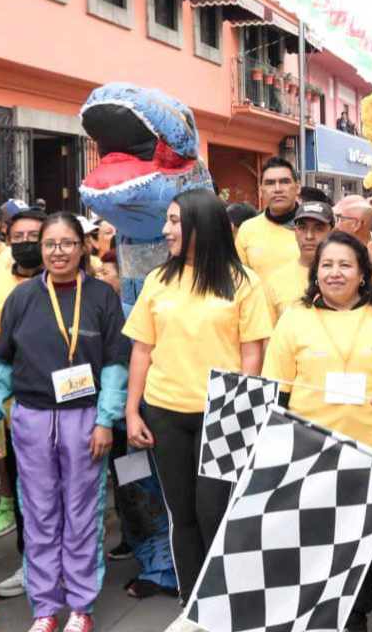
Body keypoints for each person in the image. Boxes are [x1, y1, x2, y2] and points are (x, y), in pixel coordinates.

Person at [0, 213, 129, 632]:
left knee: (82, 512)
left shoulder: (101, 296)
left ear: (82, 247)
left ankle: (81, 606)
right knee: (39, 513)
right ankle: (44, 606)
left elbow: (116, 364)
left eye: (66, 243)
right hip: (31, 418)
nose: (57, 252)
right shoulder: (22, 297)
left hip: (85, 418)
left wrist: (105, 421)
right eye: (49, 244)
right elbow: (2, 362)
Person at [124, 190, 273, 602]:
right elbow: (142, 349)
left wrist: (244, 412)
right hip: (164, 411)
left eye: (174, 221)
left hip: (225, 411)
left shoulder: (244, 281)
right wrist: (132, 410)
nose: (165, 230)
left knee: (217, 515)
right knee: (183, 518)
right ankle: (194, 607)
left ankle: (227, 604)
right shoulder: (158, 279)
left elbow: (252, 351)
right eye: (167, 220)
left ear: (199, 224)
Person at [262, 231, 372, 632]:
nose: (335, 273)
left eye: (345, 265)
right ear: (315, 271)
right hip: (310, 452)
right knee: (312, 547)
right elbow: (278, 390)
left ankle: (355, 618)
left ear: (363, 273)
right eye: (327, 265)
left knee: (360, 549)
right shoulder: (294, 318)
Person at [0, 208, 48, 597]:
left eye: (34, 236)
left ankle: (77, 566)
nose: (25, 242)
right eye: (18, 236)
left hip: (66, 409)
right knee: (28, 497)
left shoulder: (70, 279)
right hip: (14, 412)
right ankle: (32, 566)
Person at [234, 158, 301, 282]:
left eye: (284, 182)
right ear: (261, 190)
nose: (277, 189)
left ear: (297, 188)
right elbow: (240, 280)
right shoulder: (247, 229)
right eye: (270, 183)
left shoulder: (313, 227)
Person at [264, 201, 332, 320]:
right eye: (302, 228)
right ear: (295, 232)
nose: (309, 236)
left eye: (319, 228)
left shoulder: (346, 277)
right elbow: (269, 335)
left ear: (332, 232)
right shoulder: (276, 280)